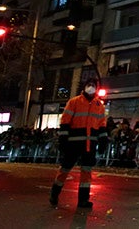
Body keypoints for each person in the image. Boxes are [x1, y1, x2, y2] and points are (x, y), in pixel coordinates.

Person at [49, 77, 108, 209]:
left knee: (86, 172)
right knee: (65, 169)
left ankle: (83, 200)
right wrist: (63, 140)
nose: (91, 87)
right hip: (73, 144)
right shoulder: (74, 102)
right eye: (89, 84)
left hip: (89, 145)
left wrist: (103, 140)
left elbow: (102, 125)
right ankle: (54, 192)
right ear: (84, 86)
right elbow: (65, 121)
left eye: (93, 85)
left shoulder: (99, 106)